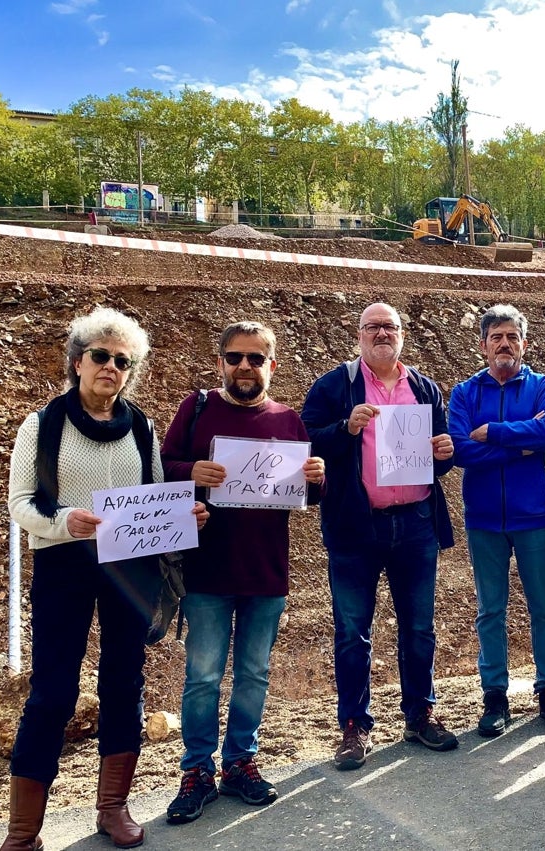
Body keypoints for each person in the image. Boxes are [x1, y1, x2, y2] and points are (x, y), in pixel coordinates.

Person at [3, 307, 207, 850]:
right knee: (52, 692)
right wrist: (63, 521)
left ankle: (112, 808)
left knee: (123, 682)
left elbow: (157, 498)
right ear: (77, 362)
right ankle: (23, 832)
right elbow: (20, 504)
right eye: (101, 356)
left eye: (123, 360)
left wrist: (182, 516)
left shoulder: (141, 427)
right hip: (63, 567)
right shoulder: (41, 425)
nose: (112, 367)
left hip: (130, 569)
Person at [161, 322, 325, 824]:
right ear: (220, 364)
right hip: (207, 571)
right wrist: (190, 472)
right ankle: (196, 771)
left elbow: (308, 496)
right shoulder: (196, 409)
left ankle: (240, 764)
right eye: (235, 357)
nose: (245, 367)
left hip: (266, 572)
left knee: (253, 675)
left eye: (256, 358)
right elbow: (159, 466)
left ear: (272, 366)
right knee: (203, 677)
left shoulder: (290, 419)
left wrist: (318, 477)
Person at [301, 302, 459, 772]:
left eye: (389, 327)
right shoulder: (334, 386)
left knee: (419, 627)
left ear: (401, 334)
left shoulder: (424, 388)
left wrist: (445, 452)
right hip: (356, 525)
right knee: (353, 633)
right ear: (359, 335)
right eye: (373, 327)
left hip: (415, 523)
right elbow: (305, 440)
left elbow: (440, 455)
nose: (382, 334)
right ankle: (354, 725)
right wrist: (345, 429)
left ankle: (420, 713)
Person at [448, 305, 545, 736]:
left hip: (534, 516)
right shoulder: (464, 393)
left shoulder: (544, 387)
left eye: (512, 337)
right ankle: (495, 697)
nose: (505, 344)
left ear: (525, 343)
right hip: (484, 519)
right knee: (491, 611)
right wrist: (522, 444)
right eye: (497, 337)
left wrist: (495, 432)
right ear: (482, 344)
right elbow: (462, 451)